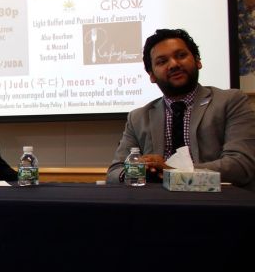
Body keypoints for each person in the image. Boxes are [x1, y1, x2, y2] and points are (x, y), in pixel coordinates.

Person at [106, 28, 255, 189]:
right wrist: (140, 169)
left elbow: (241, 166)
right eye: (162, 61)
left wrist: (174, 172)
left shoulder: (230, 101)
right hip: (156, 206)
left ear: (198, 61)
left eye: (181, 56)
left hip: (217, 204)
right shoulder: (138, 118)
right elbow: (115, 172)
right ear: (152, 75)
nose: (174, 64)